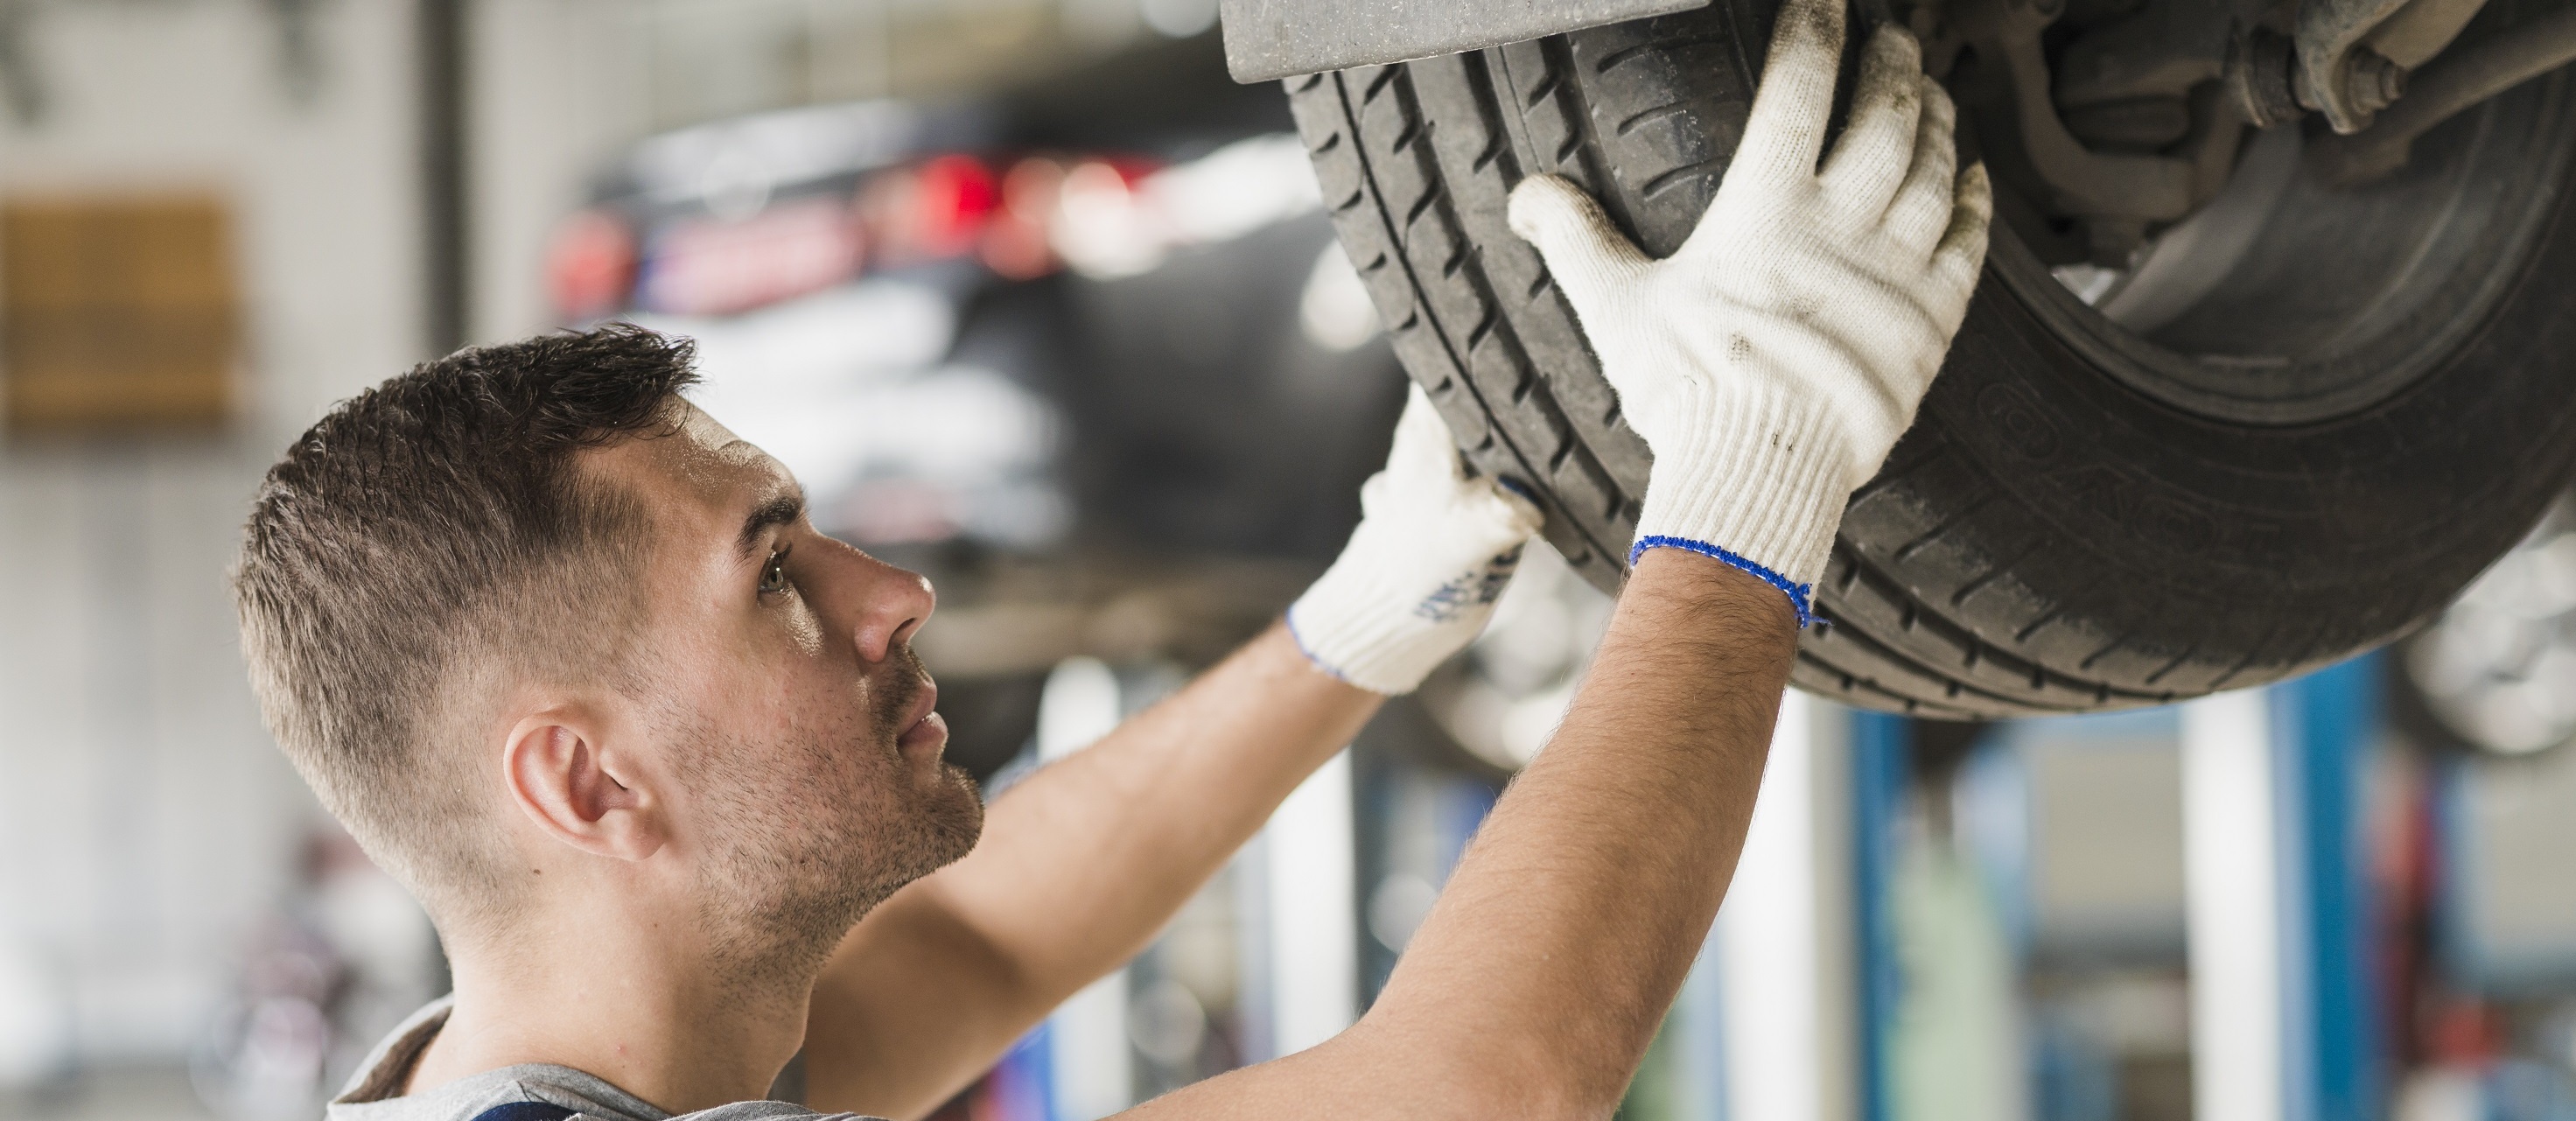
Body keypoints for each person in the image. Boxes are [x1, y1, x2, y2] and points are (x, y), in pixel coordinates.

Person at [229, 0, 1987, 1115]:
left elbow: (979, 941)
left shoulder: (597, 1066)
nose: (890, 590)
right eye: (774, 576)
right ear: (586, 779)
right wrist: (1750, 485)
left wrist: (1361, 617)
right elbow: (1476, 1089)